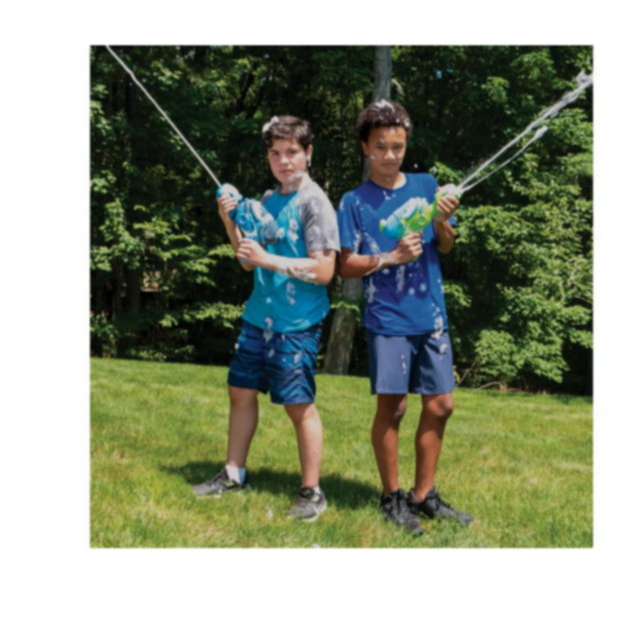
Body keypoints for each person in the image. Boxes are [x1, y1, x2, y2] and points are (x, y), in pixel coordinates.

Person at [192, 115, 340, 521]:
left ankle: (312, 492)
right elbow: (247, 261)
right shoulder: (268, 201)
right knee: (240, 390)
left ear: (308, 153)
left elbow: (325, 270)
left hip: (297, 323)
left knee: (298, 405)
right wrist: (229, 221)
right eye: (275, 153)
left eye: (292, 152)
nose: (284, 161)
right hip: (260, 316)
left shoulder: (315, 203)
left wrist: (266, 259)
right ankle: (233, 474)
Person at [337, 99, 473, 536]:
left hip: (431, 315)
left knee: (442, 404)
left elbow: (445, 245)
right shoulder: (354, 202)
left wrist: (444, 221)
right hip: (388, 318)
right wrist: (390, 257)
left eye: (397, 146)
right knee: (393, 408)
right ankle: (392, 497)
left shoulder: (425, 185)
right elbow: (344, 265)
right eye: (380, 146)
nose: (390, 155)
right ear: (365, 147)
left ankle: (423, 494)